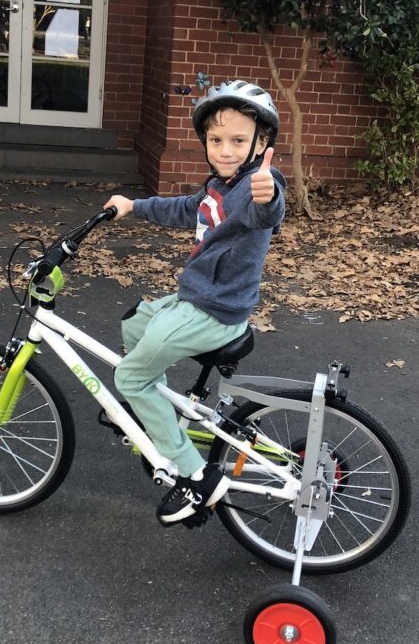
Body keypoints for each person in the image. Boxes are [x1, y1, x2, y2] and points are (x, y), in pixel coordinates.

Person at [104, 80, 286, 527]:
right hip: (196, 298)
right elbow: (187, 209)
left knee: (129, 376)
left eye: (239, 140)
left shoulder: (254, 187)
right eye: (216, 140)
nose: (225, 150)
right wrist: (134, 205)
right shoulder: (219, 187)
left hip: (215, 312)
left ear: (261, 143)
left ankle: (197, 476)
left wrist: (271, 195)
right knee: (133, 325)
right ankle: (158, 414)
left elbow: (268, 212)